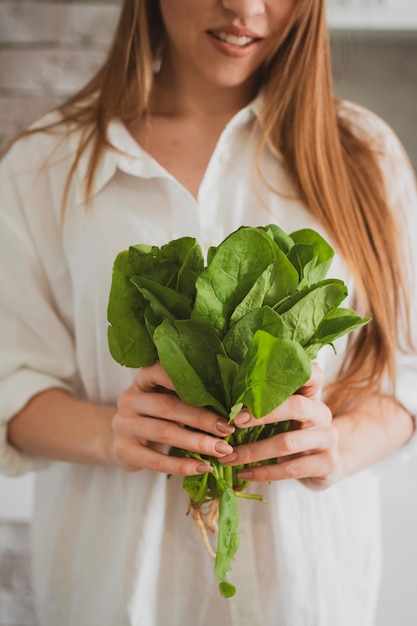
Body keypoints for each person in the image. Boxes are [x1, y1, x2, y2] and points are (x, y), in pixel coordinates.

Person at [1, 0, 417, 624]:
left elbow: (403, 380)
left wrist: (336, 444)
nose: (245, 8)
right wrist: (114, 433)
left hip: (307, 593)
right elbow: (10, 383)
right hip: (117, 590)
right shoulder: (47, 163)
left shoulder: (363, 154)